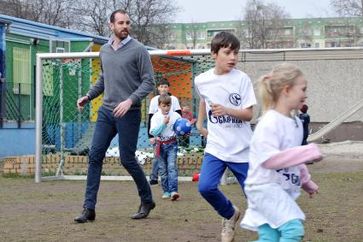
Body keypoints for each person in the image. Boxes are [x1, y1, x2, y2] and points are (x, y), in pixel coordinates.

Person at [74, 9, 155, 223]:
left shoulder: (139, 50)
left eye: (127, 22)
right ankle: (88, 208)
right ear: (111, 25)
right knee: (95, 155)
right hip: (106, 112)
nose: (125, 26)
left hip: (129, 113)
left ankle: (147, 200)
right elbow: (103, 78)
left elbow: (149, 82)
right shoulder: (105, 50)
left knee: (127, 159)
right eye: (120, 23)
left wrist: (130, 101)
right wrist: (88, 96)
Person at [240, 63, 323, 241]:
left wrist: (306, 181)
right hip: (264, 187)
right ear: (287, 90)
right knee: (293, 230)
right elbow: (269, 160)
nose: (305, 94)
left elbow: (291, 156)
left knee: (270, 237)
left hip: (279, 188)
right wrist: (307, 152)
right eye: (303, 89)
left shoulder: (296, 123)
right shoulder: (270, 122)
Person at [194, 31, 257, 242]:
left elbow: (249, 114)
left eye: (236, 53)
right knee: (206, 187)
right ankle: (229, 214)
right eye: (227, 52)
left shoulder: (242, 79)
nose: (233, 57)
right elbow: (204, 99)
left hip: (242, 149)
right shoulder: (201, 80)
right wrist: (200, 122)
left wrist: (227, 110)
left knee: (257, 200)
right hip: (217, 147)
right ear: (214, 53)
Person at [148, 78, 181, 185]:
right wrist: (151, 136)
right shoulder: (154, 100)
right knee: (157, 157)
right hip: (158, 135)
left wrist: (180, 131)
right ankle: (153, 177)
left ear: (168, 88)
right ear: (158, 88)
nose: (163, 88)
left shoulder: (173, 99)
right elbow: (150, 117)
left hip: (171, 135)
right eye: (161, 86)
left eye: (165, 86)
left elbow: (179, 116)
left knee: (170, 161)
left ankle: (170, 180)